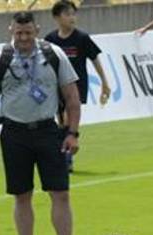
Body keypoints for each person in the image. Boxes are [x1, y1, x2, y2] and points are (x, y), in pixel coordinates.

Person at [0, 12, 87, 235]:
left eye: (27, 33)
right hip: (14, 134)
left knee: (60, 193)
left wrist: (73, 132)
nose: (23, 38)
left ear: (36, 30)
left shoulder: (53, 55)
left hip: (49, 131)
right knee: (21, 194)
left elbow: (71, 96)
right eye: (18, 33)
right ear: (11, 30)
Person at [46, 0, 110, 172]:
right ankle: (64, 152)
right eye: (67, 14)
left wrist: (104, 82)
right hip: (56, 87)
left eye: (73, 13)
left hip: (76, 86)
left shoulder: (82, 38)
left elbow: (95, 59)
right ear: (57, 17)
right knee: (61, 123)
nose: (72, 17)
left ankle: (66, 159)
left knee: (68, 119)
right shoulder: (50, 40)